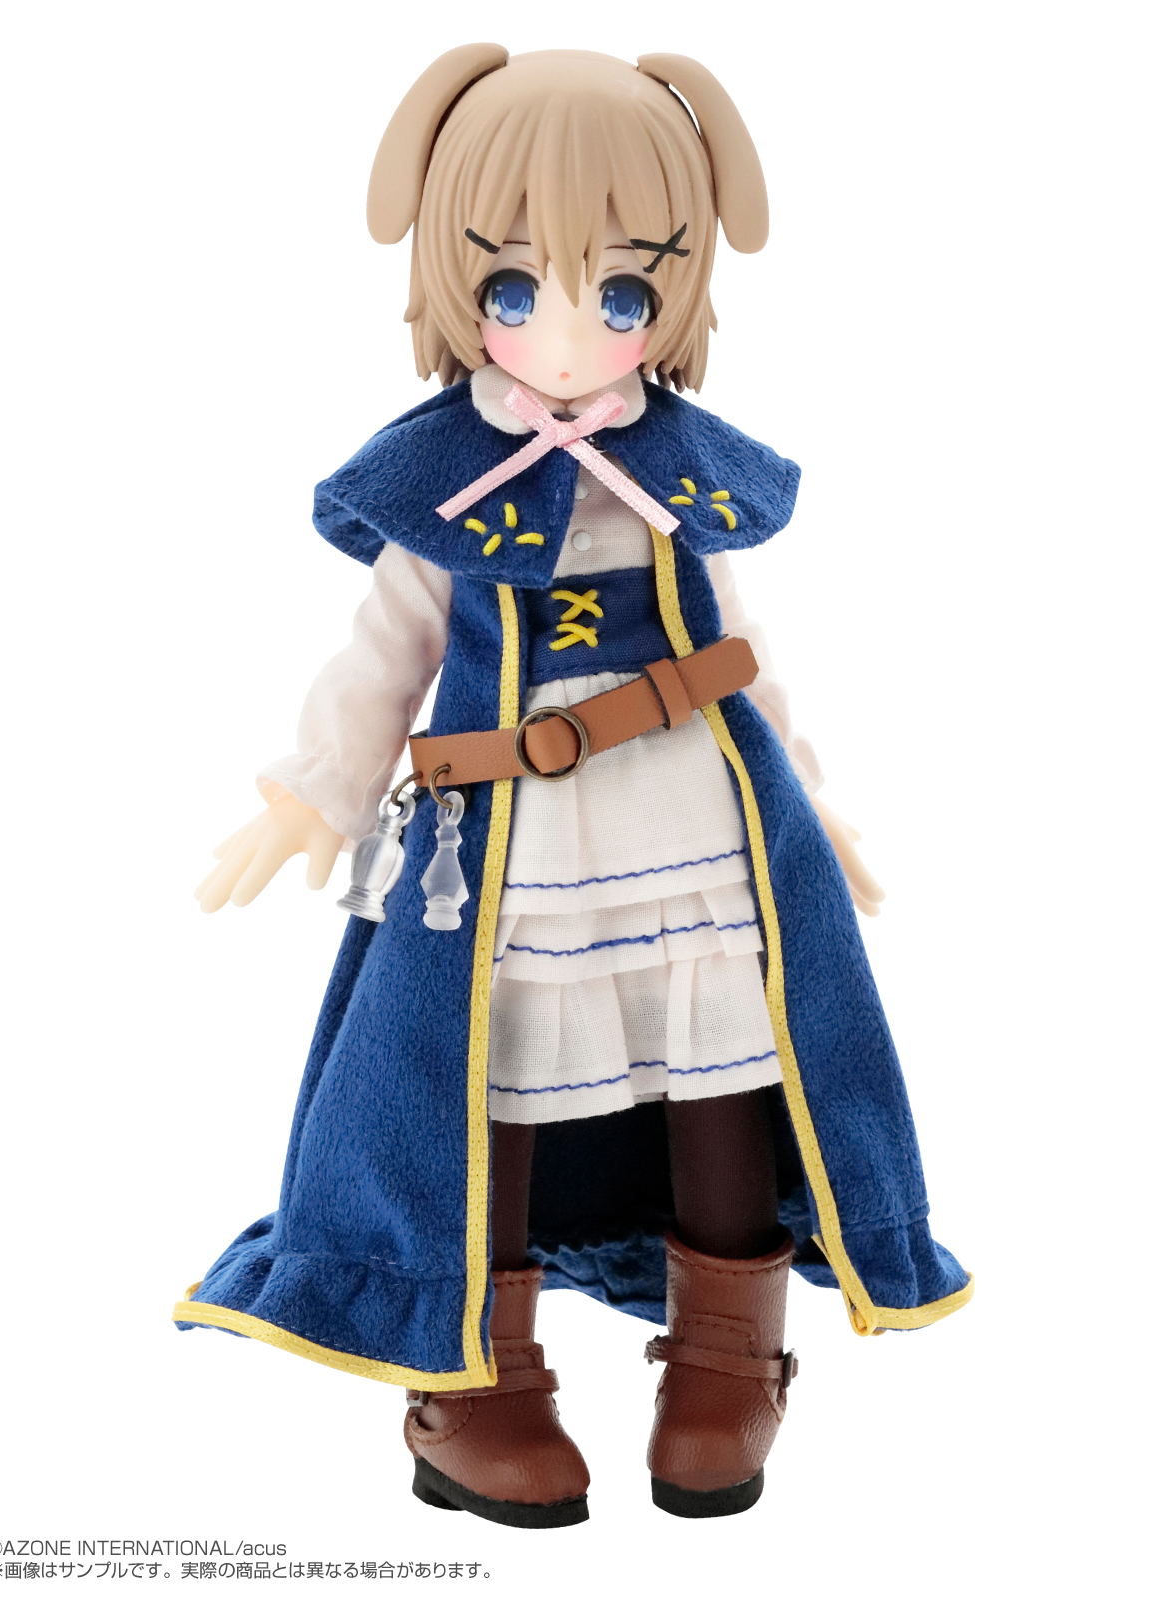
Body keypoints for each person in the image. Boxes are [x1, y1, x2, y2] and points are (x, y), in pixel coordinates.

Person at [175, 45, 972, 1528]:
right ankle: (476, 1375)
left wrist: (810, 805)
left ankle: (729, 1361)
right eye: (512, 286)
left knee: (720, 1067)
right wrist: (314, 792)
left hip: (694, 825)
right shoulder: (440, 482)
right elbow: (385, 651)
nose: (565, 333)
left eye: (621, 294)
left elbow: (738, 654)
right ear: (449, 280)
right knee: (493, 1085)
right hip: (514, 852)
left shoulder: (677, 471)